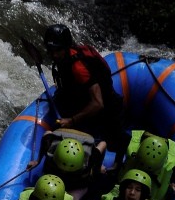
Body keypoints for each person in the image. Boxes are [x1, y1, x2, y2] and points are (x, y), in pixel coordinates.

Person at [42, 23, 128, 161]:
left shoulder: (78, 68)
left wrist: (71, 120)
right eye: (50, 50)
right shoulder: (66, 57)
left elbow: (98, 104)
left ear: (66, 47)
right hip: (86, 102)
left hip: (106, 111)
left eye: (57, 50)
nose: (54, 54)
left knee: (108, 145)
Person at [26, 129, 106, 200]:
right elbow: (47, 133)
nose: (64, 172)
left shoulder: (91, 156)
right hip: (63, 133)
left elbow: (103, 144)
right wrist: (37, 161)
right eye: (61, 168)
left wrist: (98, 168)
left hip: (76, 180)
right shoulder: (51, 147)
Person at [117, 131, 175, 200]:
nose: (132, 192)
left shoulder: (166, 169)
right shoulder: (130, 154)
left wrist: (171, 188)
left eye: (138, 189)